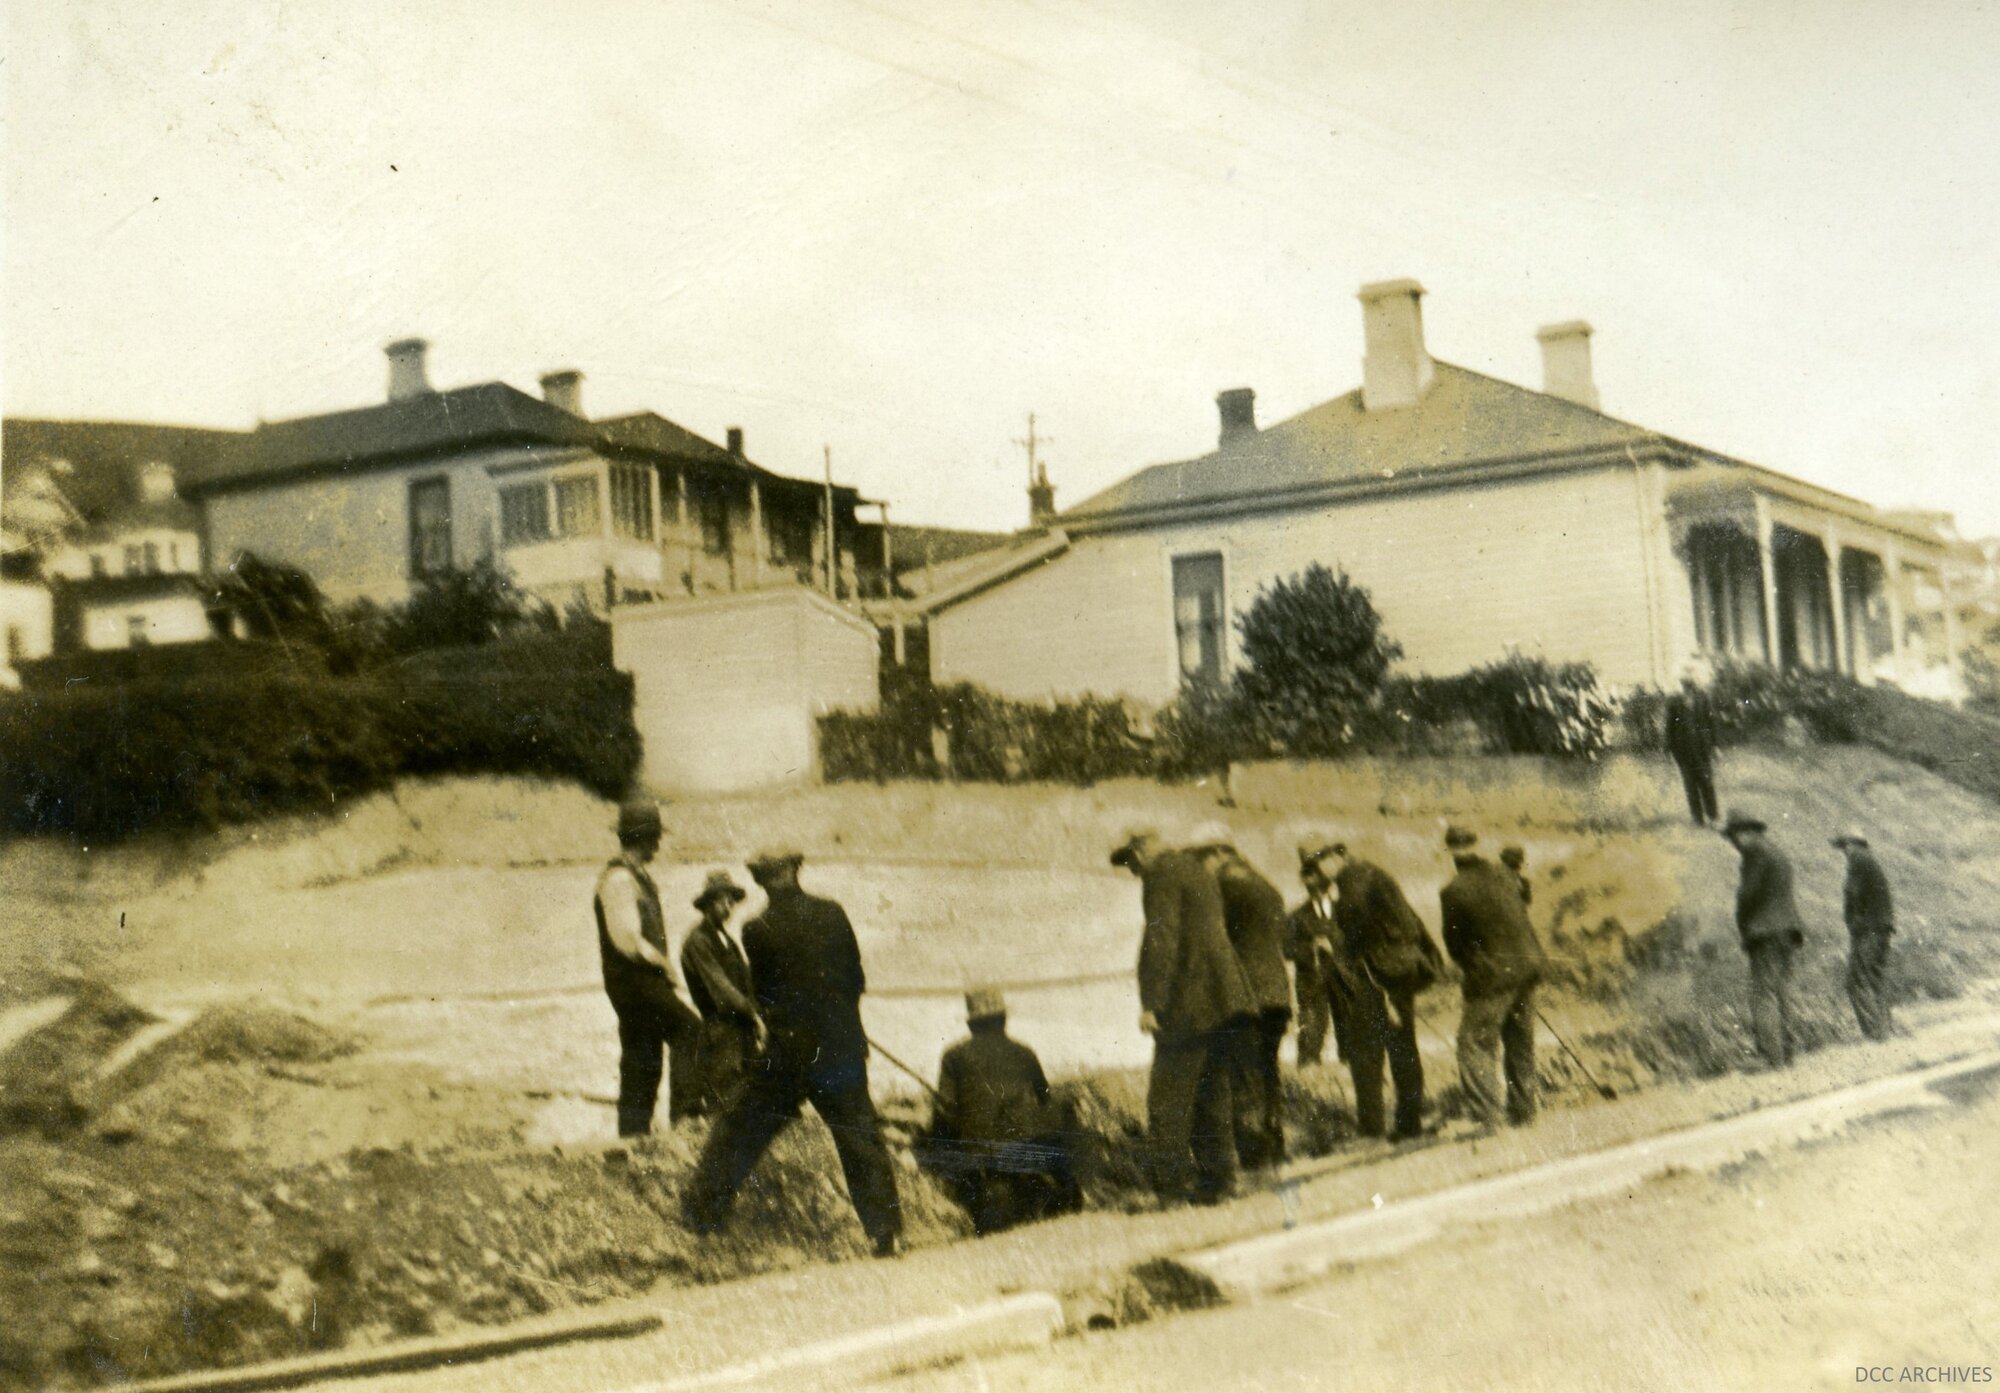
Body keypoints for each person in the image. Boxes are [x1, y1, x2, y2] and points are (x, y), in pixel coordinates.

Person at [681, 849, 905, 1257]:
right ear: (797, 870)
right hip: (841, 1047)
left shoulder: (757, 929)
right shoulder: (833, 913)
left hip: (789, 1054)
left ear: (760, 881)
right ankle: (886, 1231)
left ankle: (701, 1216)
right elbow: (856, 979)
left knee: (743, 1125)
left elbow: (764, 997)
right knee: (859, 1136)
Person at [1111, 828, 1255, 1206]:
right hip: (1222, 1000)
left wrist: (1152, 1003)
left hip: (1189, 1002)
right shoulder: (1194, 869)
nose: (1133, 872)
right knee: (1212, 1092)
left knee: (1167, 1099)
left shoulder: (1160, 875)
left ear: (1141, 853)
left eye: (1130, 862)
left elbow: (1162, 939)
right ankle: (1221, 1181)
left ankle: (1171, 1191)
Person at [1316, 840, 1441, 1141]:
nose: (1319, 869)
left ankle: (1373, 1129)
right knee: (1402, 1046)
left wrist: (1336, 946)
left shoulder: (1352, 880)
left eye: (1320, 860)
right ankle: (1409, 1122)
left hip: (1378, 974)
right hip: (1398, 968)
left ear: (1337, 856)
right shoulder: (1371, 873)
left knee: (1366, 1049)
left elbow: (1355, 928)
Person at [930, 988, 1082, 1235]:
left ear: (971, 1024)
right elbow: (1044, 1097)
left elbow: (945, 1109)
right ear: (1003, 1019)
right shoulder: (1024, 1053)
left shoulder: (954, 1056)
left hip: (981, 1156)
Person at [594, 800, 703, 1138]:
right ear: (643, 838)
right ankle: (684, 1121)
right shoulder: (620, 880)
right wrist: (664, 965)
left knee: (643, 1058)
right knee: (689, 1029)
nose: (657, 844)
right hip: (636, 983)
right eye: (654, 837)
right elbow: (627, 940)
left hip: (637, 984)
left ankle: (632, 1137)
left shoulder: (636, 877)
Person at [1187, 824, 1292, 1170]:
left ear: (1218, 852)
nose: (1199, 866)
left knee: (1244, 1077)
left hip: (1248, 998)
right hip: (1276, 994)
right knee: (1268, 1072)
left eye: (1200, 857)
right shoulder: (1263, 883)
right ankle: (1275, 1148)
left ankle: (1255, 1157)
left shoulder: (1225, 885)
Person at [1440, 826, 1548, 1129]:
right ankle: (1524, 1112)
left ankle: (1486, 1118)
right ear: (1477, 844)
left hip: (1493, 977)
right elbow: (1521, 909)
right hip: (1528, 967)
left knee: (1473, 1043)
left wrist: (1474, 966)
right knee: (1519, 1041)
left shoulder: (1453, 890)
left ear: (1450, 852)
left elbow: (1454, 944)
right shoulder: (1505, 874)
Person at [670, 871, 767, 1124]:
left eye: (731, 901)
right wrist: (752, 1013)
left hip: (741, 1031)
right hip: (720, 1033)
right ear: (708, 904)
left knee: (746, 1101)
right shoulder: (698, 941)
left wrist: (757, 1012)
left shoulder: (727, 940)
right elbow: (721, 989)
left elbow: (745, 981)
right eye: (721, 901)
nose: (728, 906)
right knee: (724, 1104)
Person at [1722, 810, 1807, 1070]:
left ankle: (1770, 1057)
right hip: (1788, 930)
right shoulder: (1777, 852)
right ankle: (1786, 1054)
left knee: (1762, 994)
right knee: (1782, 991)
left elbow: (1747, 895)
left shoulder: (1754, 853)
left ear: (1744, 832)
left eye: (1734, 837)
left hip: (1765, 932)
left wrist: (1742, 923)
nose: (1734, 844)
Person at [1286, 844, 1356, 1069]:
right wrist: (1311, 948)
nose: (1310, 882)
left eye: (1314, 875)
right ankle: (1309, 1071)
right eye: (1306, 876)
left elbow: (1356, 942)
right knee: (1310, 1031)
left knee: (1351, 1031)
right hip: (1311, 982)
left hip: (1344, 979)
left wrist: (1335, 946)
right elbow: (1287, 949)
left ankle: (1351, 1069)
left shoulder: (1344, 911)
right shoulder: (1296, 916)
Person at [1834, 830, 1896, 1041]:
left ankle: (1874, 1033)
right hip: (1882, 927)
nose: (1844, 851)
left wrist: (1853, 923)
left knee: (1856, 981)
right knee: (1876, 979)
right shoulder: (1869, 859)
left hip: (1868, 930)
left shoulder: (1858, 860)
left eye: (1844, 846)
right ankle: (1884, 1030)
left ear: (1852, 844)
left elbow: (1853, 894)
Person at [1663, 668, 1721, 826]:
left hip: (1702, 749)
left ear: (1694, 682)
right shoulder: (1674, 701)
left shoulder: (1703, 698)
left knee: (1707, 783)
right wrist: (1668, 750)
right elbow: (1669, 727)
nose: (1687, 684)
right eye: (1684, 681)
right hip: (1683, 750)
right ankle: (1697, 817)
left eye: (1690, 681)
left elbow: (1712, 722)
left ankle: (1713, 816)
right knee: (1690, 785)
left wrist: (1715, 745)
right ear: (1681, 683)